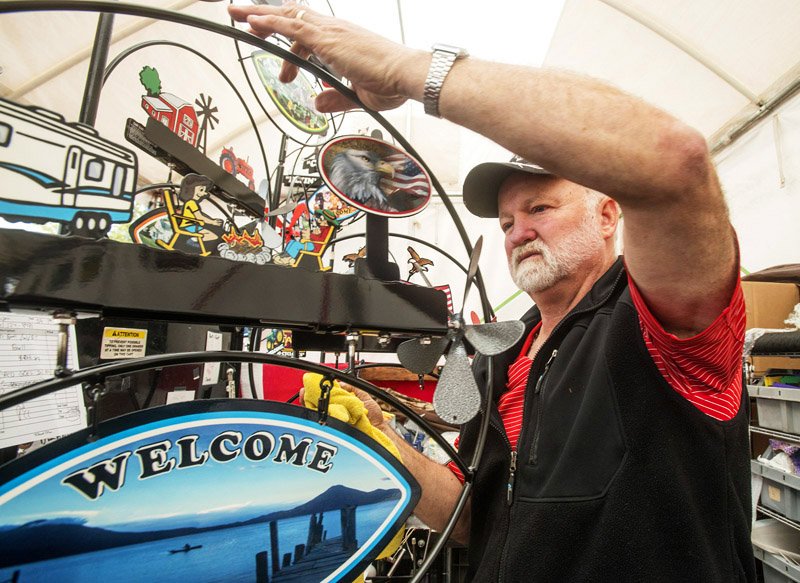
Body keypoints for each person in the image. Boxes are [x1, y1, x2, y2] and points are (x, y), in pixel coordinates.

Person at [229, 4, 755, 582]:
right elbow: (468, 516)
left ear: (608, 214)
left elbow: (673, 163)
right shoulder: (502, 352)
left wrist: (405, 68)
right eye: (505, 223)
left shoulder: (657, 319)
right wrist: (377, 441)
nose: (518, 232)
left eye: (540, 208)